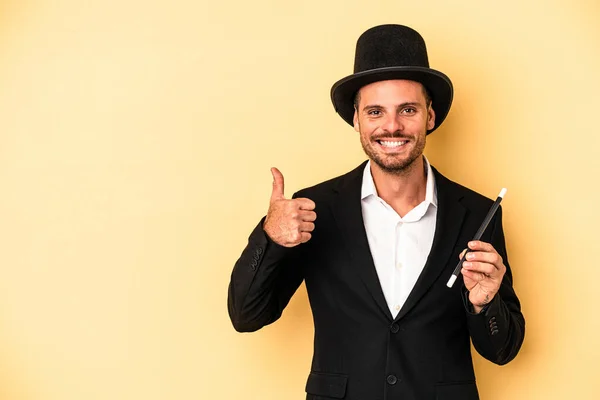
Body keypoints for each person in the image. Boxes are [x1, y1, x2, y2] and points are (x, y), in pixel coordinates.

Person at [227, 24, 525, 400]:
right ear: (356, 120)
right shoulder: (313, 210)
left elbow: (503, 350)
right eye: (375, 111)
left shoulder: (479, 214)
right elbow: (247, 316)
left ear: (430, 117)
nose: (392, 125)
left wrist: (485, 303)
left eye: (408, 109)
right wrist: (270, 239)